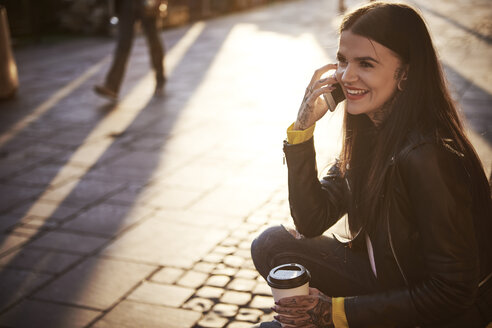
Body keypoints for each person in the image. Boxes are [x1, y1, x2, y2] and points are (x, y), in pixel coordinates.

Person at [251, 2, 492, 327]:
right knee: (270, 245)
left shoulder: (428, 156)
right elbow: (311, 220)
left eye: (365, 63)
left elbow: (452, 292)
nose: (347, 76)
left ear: (405, 73)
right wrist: (303, 129)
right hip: (389, 278)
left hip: (440, 313)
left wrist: (335, 313)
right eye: (342, 61)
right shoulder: (370, 132)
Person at [94, 0, 166, 101]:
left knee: (153, 41)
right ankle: (112, 86)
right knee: (123, 43)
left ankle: (160, 80)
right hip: (126, 4)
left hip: (148, 2)